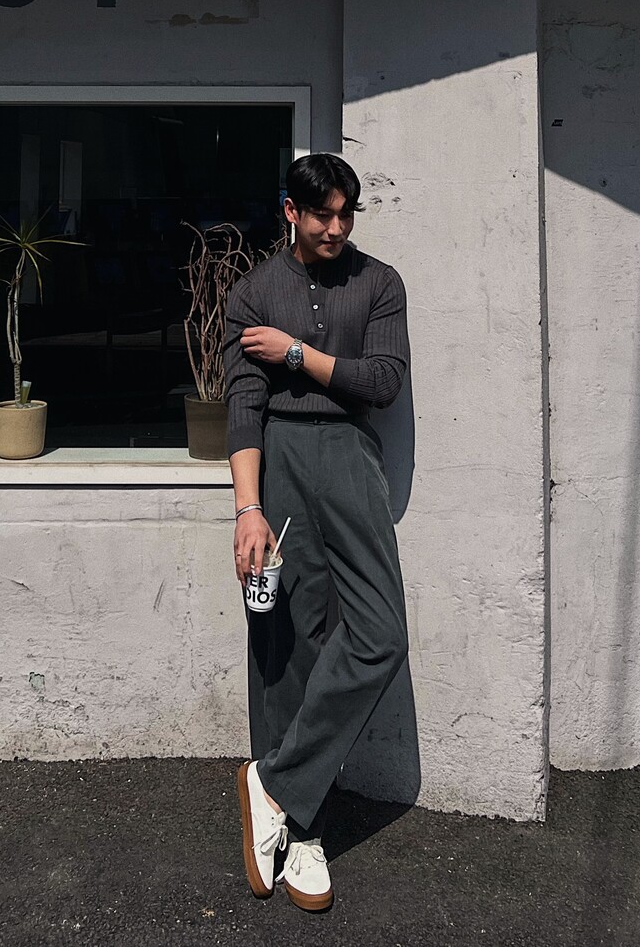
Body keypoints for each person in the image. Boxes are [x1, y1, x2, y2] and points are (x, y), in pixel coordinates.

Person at [223, 152, 410, 912]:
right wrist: (248, 508)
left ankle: (273, 783)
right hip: (282, 461)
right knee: (290, 640)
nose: (336, 228)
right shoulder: (252, 291)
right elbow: (244, 405)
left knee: (379, 633)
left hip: (352, 456)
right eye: (322, 214)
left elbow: (383, 381)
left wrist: (297, 354)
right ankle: (303, 828)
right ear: (291, 212)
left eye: (346, 214)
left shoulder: (380, 283)